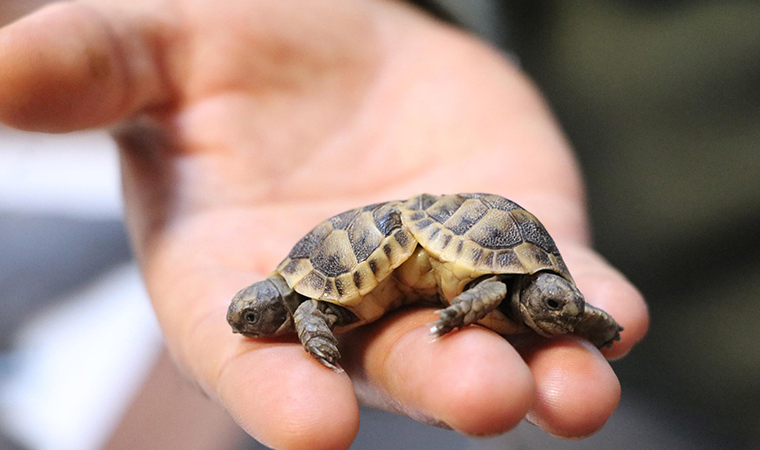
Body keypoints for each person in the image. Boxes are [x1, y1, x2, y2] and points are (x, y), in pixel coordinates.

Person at [0, 1, 648, 449]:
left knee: (554, 335)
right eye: (249, 318)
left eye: (252, 319)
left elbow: (486, 293)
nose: (248, 325)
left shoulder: (312, 306)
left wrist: (447, 317)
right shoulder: (302, 293)